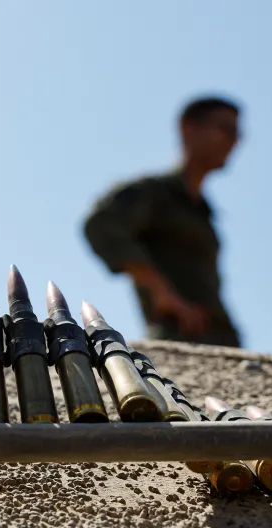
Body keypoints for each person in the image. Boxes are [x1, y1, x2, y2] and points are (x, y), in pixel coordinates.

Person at [83, 96, 242, 348]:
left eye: (238, 133)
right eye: (226, 129)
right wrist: (162, 292)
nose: (235, 140)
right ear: (189, 128)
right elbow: (102, 224)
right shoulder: (156, 193)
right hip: (180, 336)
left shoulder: (203, 210)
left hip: (220, 337)